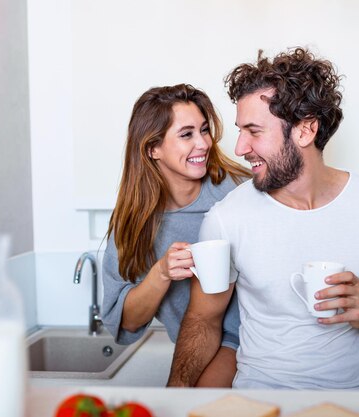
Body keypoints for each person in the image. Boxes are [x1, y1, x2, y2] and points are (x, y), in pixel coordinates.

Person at [167, 48, 359, 390]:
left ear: (305, 131)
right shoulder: (227, 218)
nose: (240, 148)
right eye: (240, 131)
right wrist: (174, 396)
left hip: (357, 401)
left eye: (254, 131)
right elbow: (202, 321)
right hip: (260, 399)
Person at [101, 84, 250, 386]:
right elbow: (126, 322)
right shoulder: (134, 221)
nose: (203, 144)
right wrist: (161, 273)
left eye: (204, 130)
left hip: (249, 344)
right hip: (195, 347)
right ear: (153, 148)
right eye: (186, 134)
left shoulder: (240, 191)